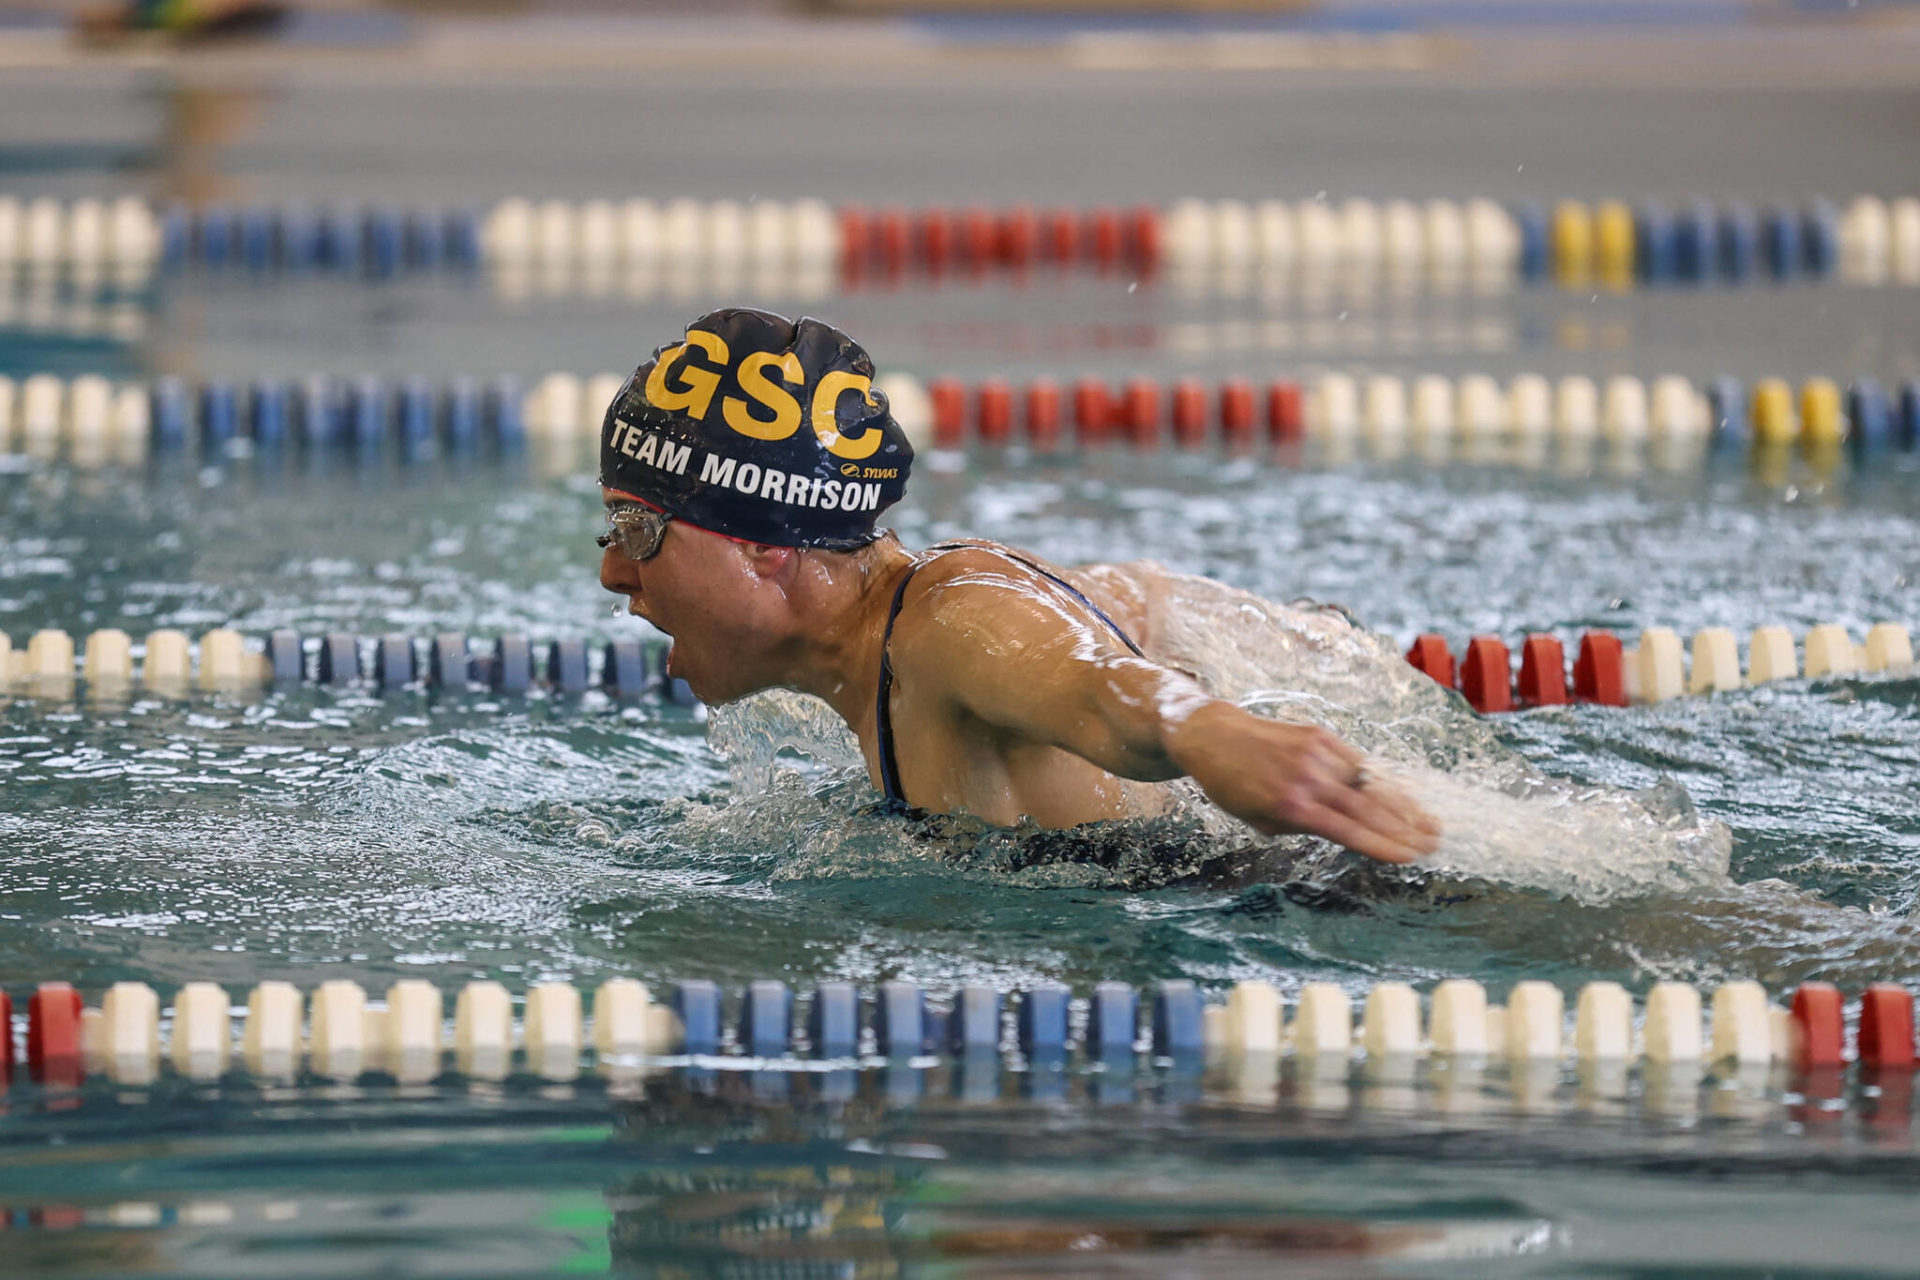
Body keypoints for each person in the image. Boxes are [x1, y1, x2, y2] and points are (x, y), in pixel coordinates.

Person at [598, 308, 1441, 865]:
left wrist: (1204, 730)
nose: (613, 572)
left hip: (1348, 886)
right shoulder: (904, 634)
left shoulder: (948, 624)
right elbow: (1100, 620)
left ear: (760, 545)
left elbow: (1098, 686)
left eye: (637, 530)